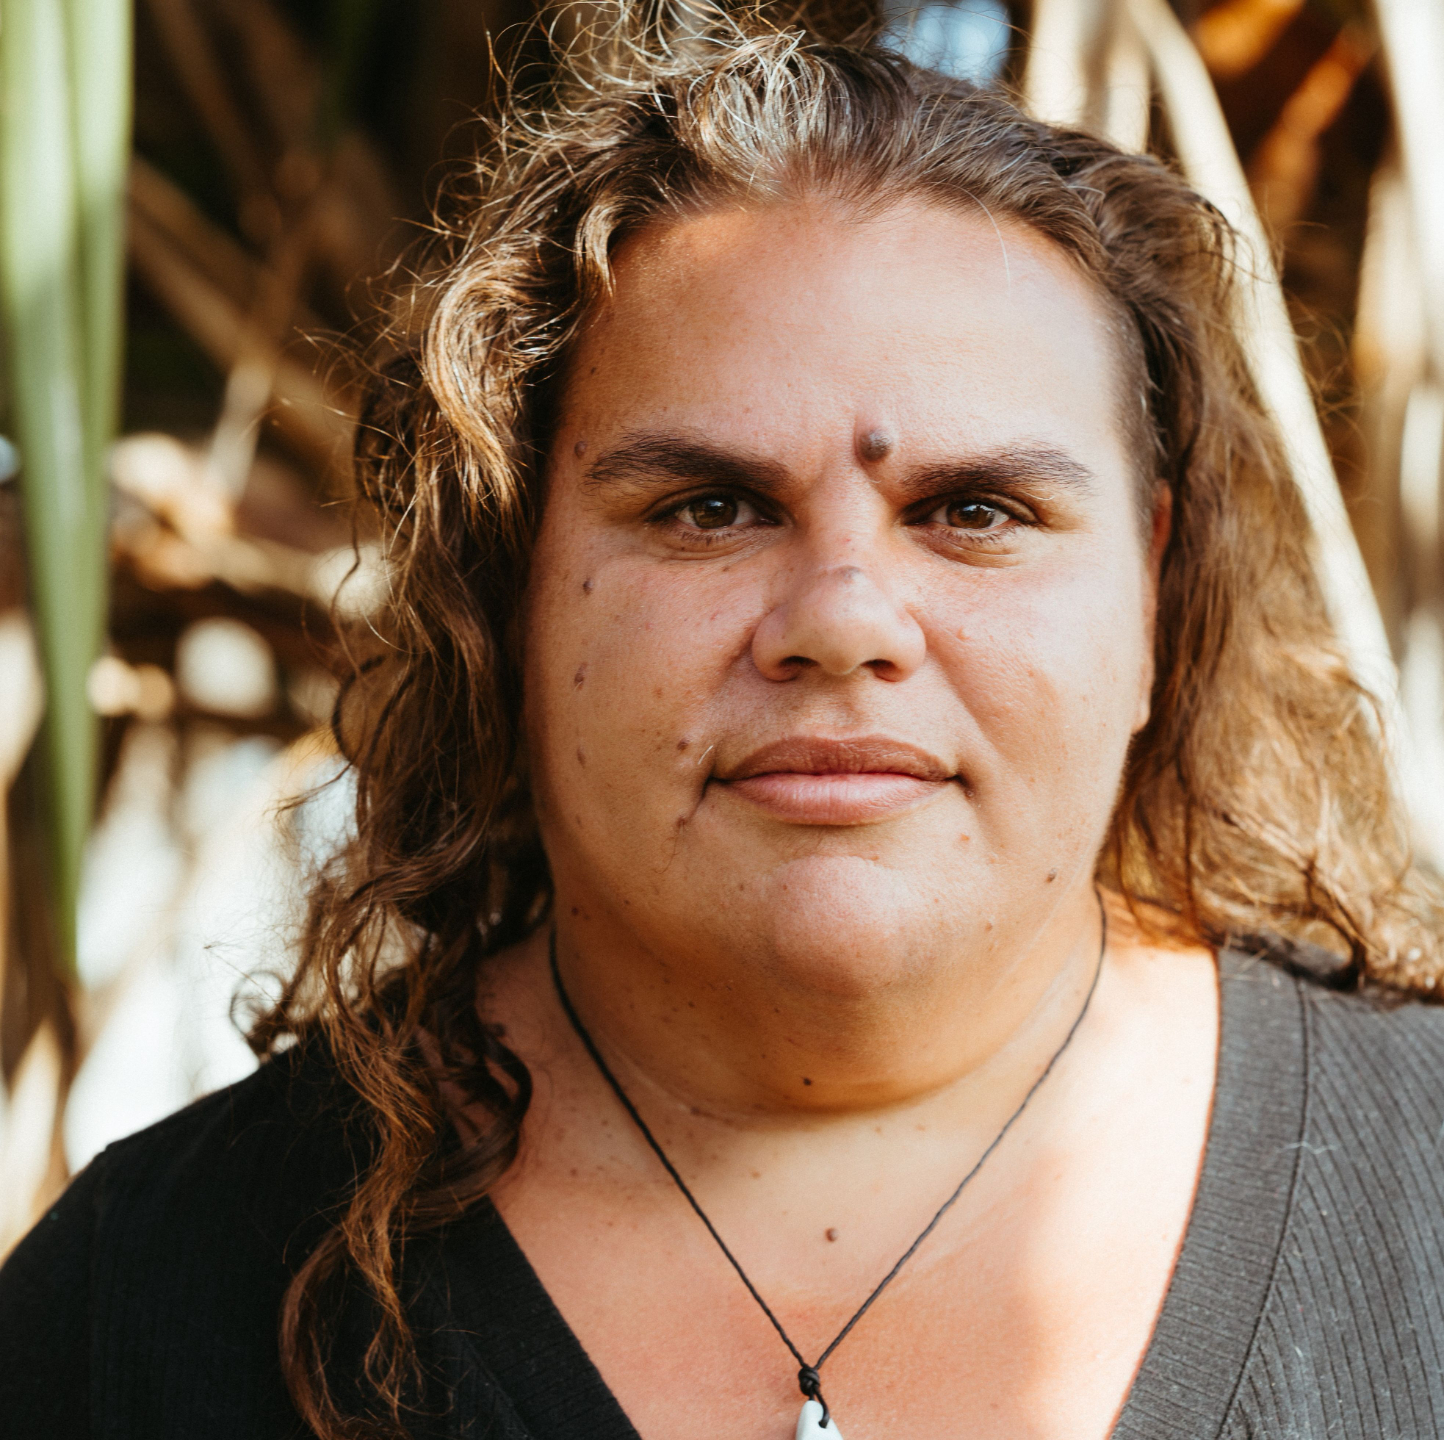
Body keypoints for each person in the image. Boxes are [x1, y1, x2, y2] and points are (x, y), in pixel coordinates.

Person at [4, 13, 1444, 1440]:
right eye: (710, 508)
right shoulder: (138, 1315)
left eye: (975, 510)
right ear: (513, 592)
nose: (844, 619)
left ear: (1152, 597)